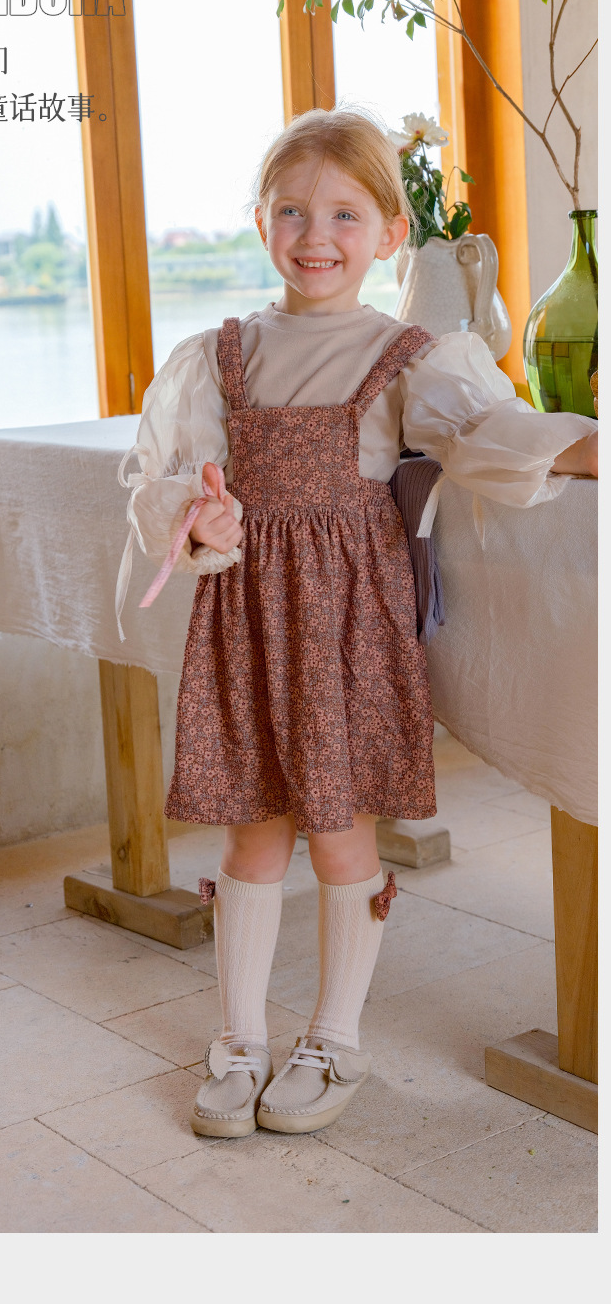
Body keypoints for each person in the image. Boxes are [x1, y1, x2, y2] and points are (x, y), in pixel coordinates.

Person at [116, 107, 598, 1140]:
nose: (316, 235)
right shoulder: (218, 356)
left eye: (344, 213)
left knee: (341, 833)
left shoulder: (408, 353)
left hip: (347, 635)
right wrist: (198, 518)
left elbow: (484, 432)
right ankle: (238, 1037)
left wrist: (578, 445)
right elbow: (158, 478)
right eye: (291, 211)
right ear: (260, 223)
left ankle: (335, 1036)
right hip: (247, 625)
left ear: (389, 232)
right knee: (251, 829)